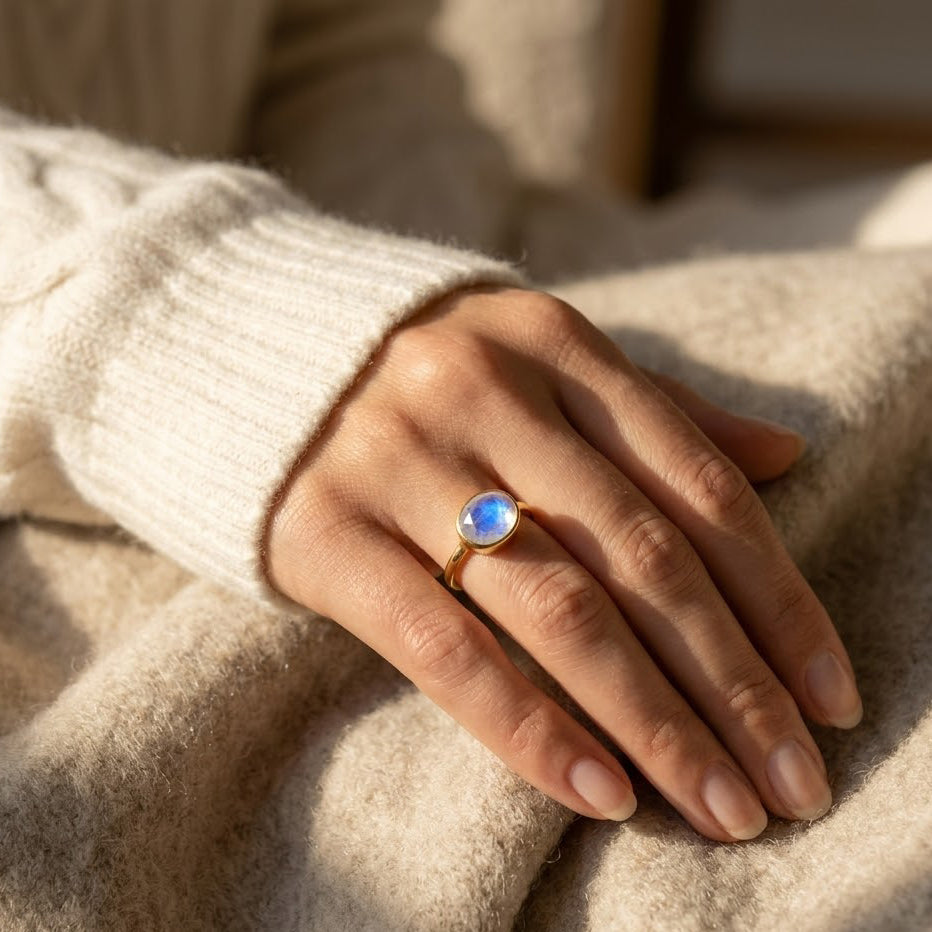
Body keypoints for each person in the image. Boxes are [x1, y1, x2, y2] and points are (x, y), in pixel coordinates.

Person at [0, 0, 862, 866]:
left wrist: (437, 304)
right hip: (109, 428)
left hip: (400, 284)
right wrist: (186, 315)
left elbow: (339, 52)